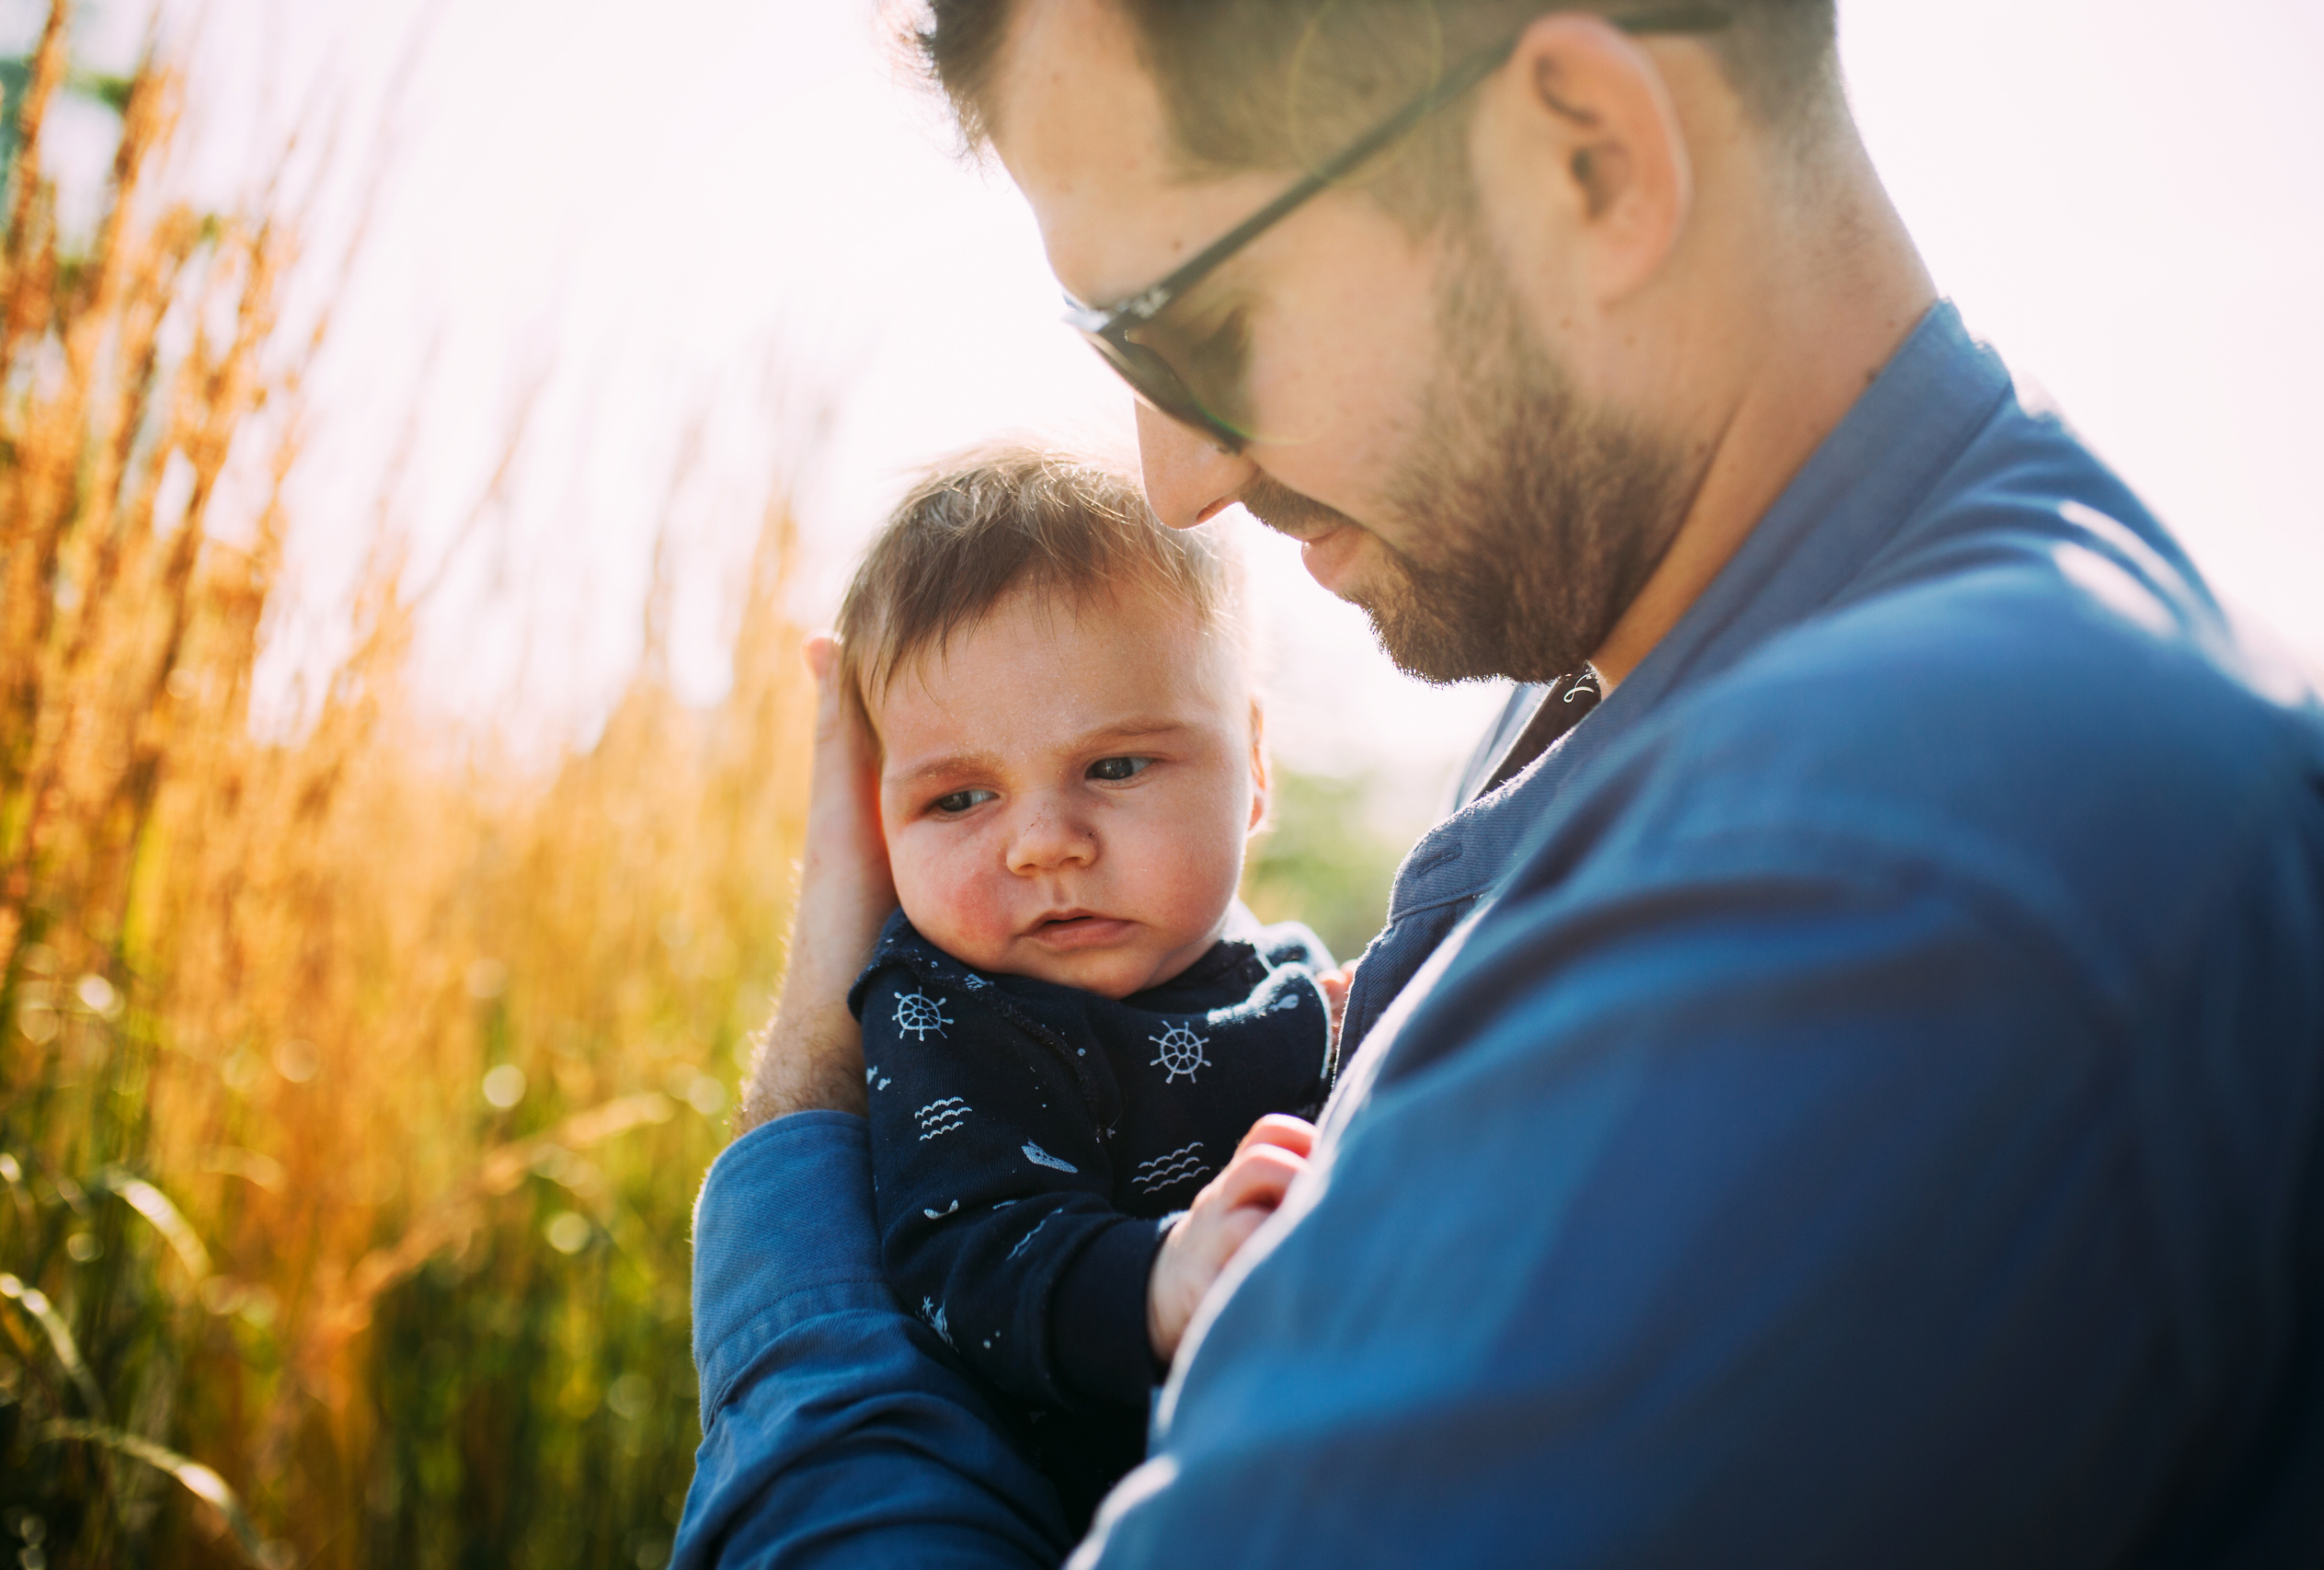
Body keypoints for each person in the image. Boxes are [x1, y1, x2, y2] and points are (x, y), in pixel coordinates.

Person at [675, 2, 2324, 1564]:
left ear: (1587, 159)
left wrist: (807, 1131)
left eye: (1192, 328)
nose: (1177, 479)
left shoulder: (1886, 875)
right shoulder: (1655, 688)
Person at [834, 448, 1336, 1526]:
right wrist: (1157, 1279)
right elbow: (969, 1252)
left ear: (1252, 767)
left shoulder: (1280, 969)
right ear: (876, 823)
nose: (1044, 844)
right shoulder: (949, 1013)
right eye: (961, 796)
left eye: (1115, 768)